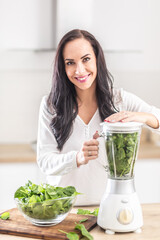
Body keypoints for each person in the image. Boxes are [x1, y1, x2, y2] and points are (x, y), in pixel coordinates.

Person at [37, 29, 160, 206]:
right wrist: (77, 158)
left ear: (97, 59)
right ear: (63, 68)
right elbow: (45, 161)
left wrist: (142, 117)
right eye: (70, 63)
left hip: (108, 206)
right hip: (63, 210)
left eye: (86, 59)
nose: (79, 70)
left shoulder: (120, 99)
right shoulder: (50, 105)